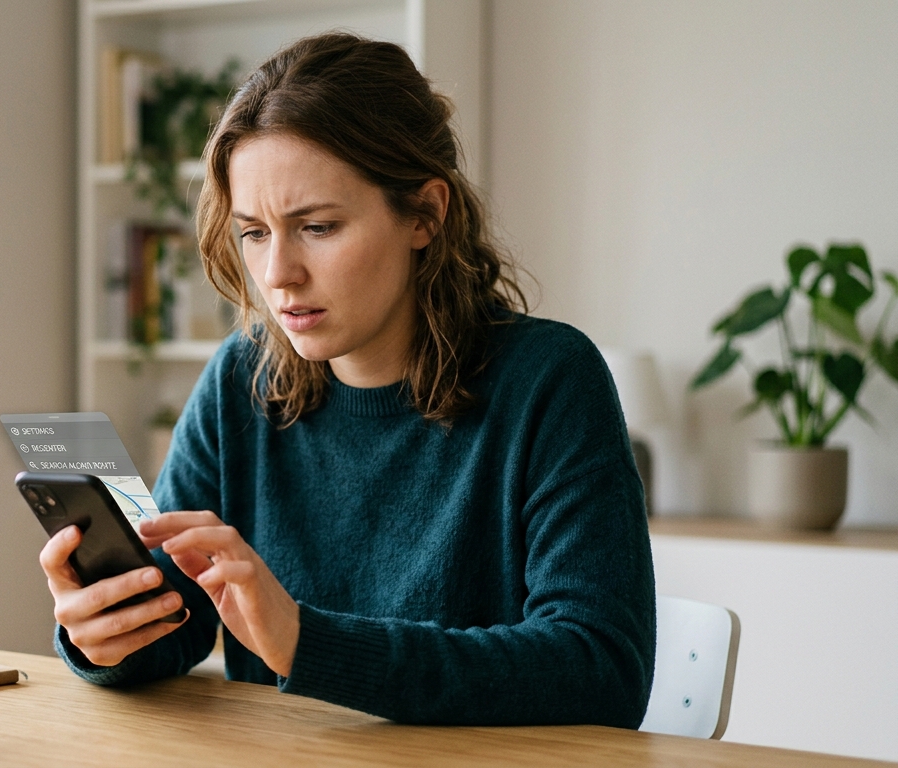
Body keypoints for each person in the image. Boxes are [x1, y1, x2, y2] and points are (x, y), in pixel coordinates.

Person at [39, 32, 655, 727]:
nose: (278, 276)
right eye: (255, 233)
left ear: (425, 214)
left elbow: (601, 671)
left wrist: (307, 642)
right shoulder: (241, 379)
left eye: (319, 226)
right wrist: (103, 629)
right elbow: (176, 623)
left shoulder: (550, 382)